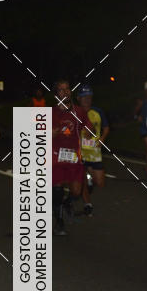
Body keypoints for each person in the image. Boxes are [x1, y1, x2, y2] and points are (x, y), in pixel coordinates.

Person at [51, 80, 90, 235]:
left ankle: (67, 203)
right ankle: (59, 222)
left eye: (67, 89)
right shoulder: (50, 113)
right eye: (61, 90)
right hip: (56, 157)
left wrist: (89, 134)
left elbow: (87, 128)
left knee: (76, 191)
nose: (65, 92)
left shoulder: (79, 111)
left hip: (74, 156)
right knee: (58, 189)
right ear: (56, 94)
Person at [76, 84, 109, 216]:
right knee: (81, 179)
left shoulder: (98, 112)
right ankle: (87, 204)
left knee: (100, 183)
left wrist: (103, 138)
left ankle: (90, 179)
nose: (87, 99)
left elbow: (106, 128)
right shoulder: (74, 112)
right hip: (80, 152)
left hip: (95, 152)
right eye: (84, 97)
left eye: (89, 97)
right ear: (79, 98)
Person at [134, 81, 147, 178]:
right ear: (146, 91)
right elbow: (135, 112)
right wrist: (137, 117)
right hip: (145, 129)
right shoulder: (143, 103)